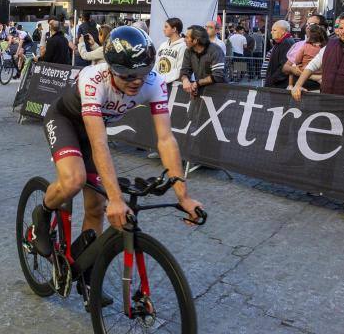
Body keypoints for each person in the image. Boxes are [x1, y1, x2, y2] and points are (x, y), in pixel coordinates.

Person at [31, 26, 204, 292]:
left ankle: (88, 273)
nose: (137, 81)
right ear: (111, 69)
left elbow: (166, 140)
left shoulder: (154, 82)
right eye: (128, 76)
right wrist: (116, 198)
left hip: (94, 130)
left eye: (143, 73)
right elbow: (99, 142)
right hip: (66, 121)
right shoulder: (93, 78)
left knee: (96, 205)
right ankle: (42, 212)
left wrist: (183, 195)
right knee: (74, 179)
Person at [180, 25, 227, 98]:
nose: (184, 40)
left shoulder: (215, 50)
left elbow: (218, 75)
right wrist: (185, 80)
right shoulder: (188, 51)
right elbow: (184, 70)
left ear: (195, 40)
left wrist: (197, 83)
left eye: (187, 37)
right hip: (201, 91)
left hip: (219, 93)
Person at [283, 24, 327, 90]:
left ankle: (290, 85)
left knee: (293, 65)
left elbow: (297, 60)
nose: (308, 26)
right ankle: (315, 78)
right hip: (319, 72)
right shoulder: (325, 47)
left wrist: (296, 64)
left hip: (303, 71)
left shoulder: (305, 46)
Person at [263, 20, 295, 88]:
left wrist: (272, 80)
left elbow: (284, 67)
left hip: (278, 86)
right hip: (275, 84)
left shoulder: (286, 43)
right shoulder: (282, 42)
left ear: (283, 31)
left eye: (274, 30)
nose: (271, 32)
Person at [155, 17, 187, 84]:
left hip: (173, 86)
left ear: (174, 29)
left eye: (166, 27)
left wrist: (162, 79)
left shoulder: (183, 46)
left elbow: (180, 69)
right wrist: (155, 78)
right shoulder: (163, 45)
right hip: (158, 83)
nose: (163, 29)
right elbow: (156, 64)